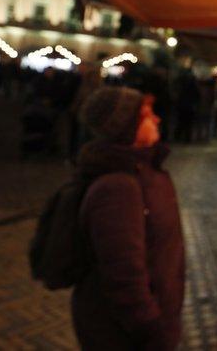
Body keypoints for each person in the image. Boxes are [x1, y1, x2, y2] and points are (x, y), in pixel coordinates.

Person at [73, 86, 185, 351]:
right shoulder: (118, 188)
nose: (157, 119)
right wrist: (152, 330)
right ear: (126, 128)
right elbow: (124, 275)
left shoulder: (144, 171)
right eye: (148, 115)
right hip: (125, 335)